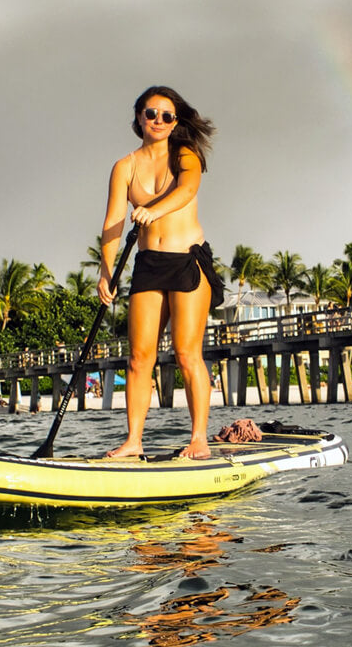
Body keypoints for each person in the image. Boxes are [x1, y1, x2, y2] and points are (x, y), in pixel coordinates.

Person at [100, 85, 223, 460]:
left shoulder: (185, 154)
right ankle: (133, 441)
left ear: (174, 122)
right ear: (139, 117)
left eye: (167, 116)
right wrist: (106, 273)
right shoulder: (125, 167)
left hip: (187, 261)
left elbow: (187, 189)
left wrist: (154, 210)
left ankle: (198, 438)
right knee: (139, 358)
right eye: (151, 113)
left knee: (186, 352)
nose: (158, 120)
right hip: (148, 265)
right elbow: (113, 223)